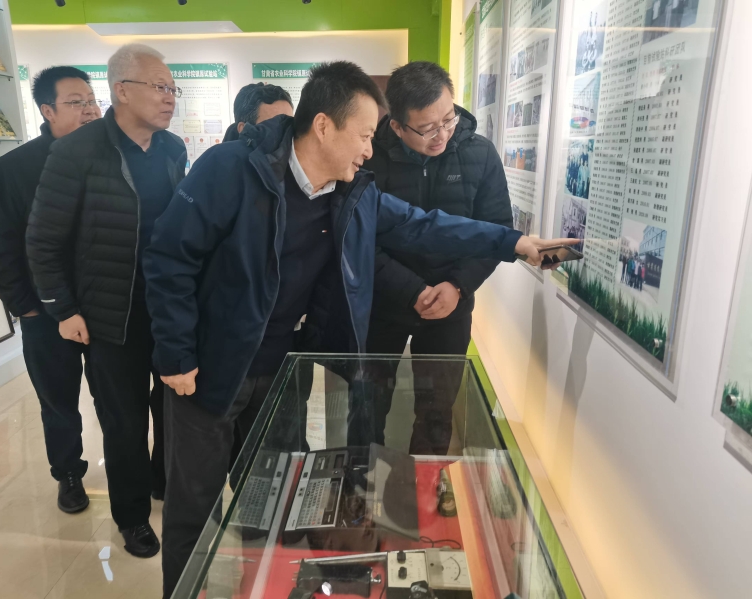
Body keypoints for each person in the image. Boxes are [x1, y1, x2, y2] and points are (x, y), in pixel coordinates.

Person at [142, 60, 577, 596]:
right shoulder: (231, 169)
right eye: (366, 136)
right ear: (324, 126)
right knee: (194, 509)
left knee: (272, 498)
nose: (370, 151)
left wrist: (513, 243)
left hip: (280, 369)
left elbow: (424, 226)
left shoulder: (349, 190)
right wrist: (176, 354)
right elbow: (168, 258)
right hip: (208, 367)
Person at [26, 43, 187, 559]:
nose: (170, 98)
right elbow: (42, 240)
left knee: (171, 408)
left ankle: (164, 482)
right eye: (159, 87)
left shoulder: (172, 149)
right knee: (123, 421)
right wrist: (63, 308)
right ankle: (132, 516)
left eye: (173, 88)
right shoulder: (76, 152)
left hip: (166, 309)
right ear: (122, 90)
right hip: (108, 317)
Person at [359, 61, 514, 455]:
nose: (442, 134)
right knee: (366, 406)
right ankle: (359, 482)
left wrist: (458, 286)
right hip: (384, 303)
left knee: (436, 413)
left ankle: (427, 484)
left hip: (451, 306)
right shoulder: (369, 155)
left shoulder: (480, 153)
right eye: (427, 128)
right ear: (397, 126)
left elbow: (495, 228)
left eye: (448, 119)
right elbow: (359, 239)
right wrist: (410, 290)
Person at [0, 66, 100, 514]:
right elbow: (0, 243)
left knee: (116, 398)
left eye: (92, 100)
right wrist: (24, 307)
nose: (90, 110)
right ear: (47, 111)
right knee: (58, 400)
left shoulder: (111, 159)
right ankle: (68, 474)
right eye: (76, 102)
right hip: (45, 312)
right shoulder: (15, 168)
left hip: (104, 308)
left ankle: (130, 470)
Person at [221, 83, 293, 142]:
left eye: (290, 125)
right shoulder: (221, 155)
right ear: (243, 130)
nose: (287, 135)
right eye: (273, 126)